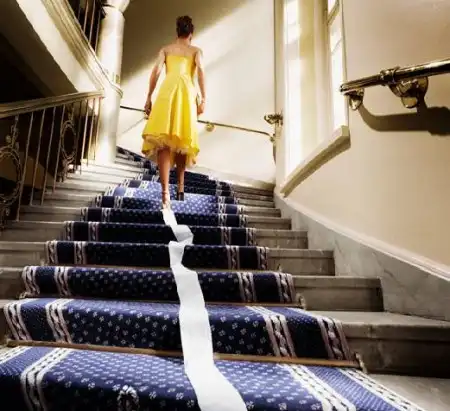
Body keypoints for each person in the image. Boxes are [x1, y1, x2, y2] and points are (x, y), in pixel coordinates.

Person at [142, 15, 206, 209]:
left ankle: (165, 195)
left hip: (167, 93)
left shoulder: (166, 49)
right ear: (191, 34)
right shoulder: (195, 51)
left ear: (177, 32)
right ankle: (180, 187)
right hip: (186, 94)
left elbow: (156, 71)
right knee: (183, 138)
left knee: (164, 142)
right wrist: (204, 98)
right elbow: (201, 72)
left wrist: (148, 97)